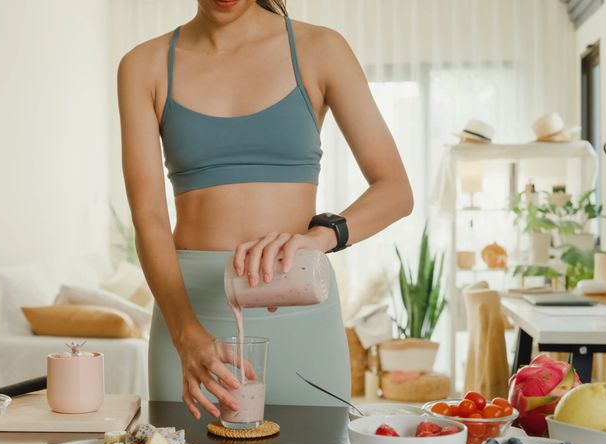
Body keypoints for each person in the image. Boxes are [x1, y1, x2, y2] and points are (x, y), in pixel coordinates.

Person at [117, 0, 412, 420]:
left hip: (301, 307)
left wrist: (320, 237)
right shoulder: (143, 66)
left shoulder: (320, 49)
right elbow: (148, 217)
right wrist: (187, 338)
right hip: (189, 313)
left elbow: (396, 190)